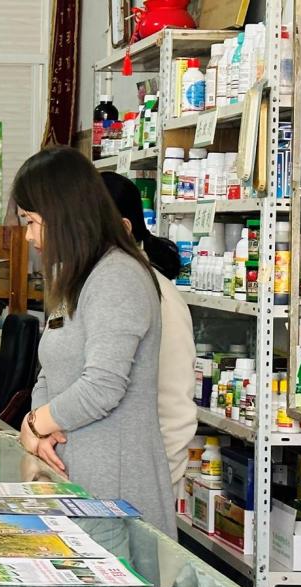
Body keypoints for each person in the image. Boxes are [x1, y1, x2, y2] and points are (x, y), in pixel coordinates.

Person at [14, 147, 175, 537]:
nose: (30, 236)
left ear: (65, 214)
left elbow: (103, 385)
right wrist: (38, 429)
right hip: (69, 478)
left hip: (113, 490)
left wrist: (36, 424)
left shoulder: (117, 277)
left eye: (33, 222)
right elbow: (49, 371)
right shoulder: (74, 278)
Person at [101, 172, 195, 499]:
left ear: (123, 228)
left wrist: (156, 495)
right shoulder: (93, 288)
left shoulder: (159, 296)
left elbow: (175, 412)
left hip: (140, 490)